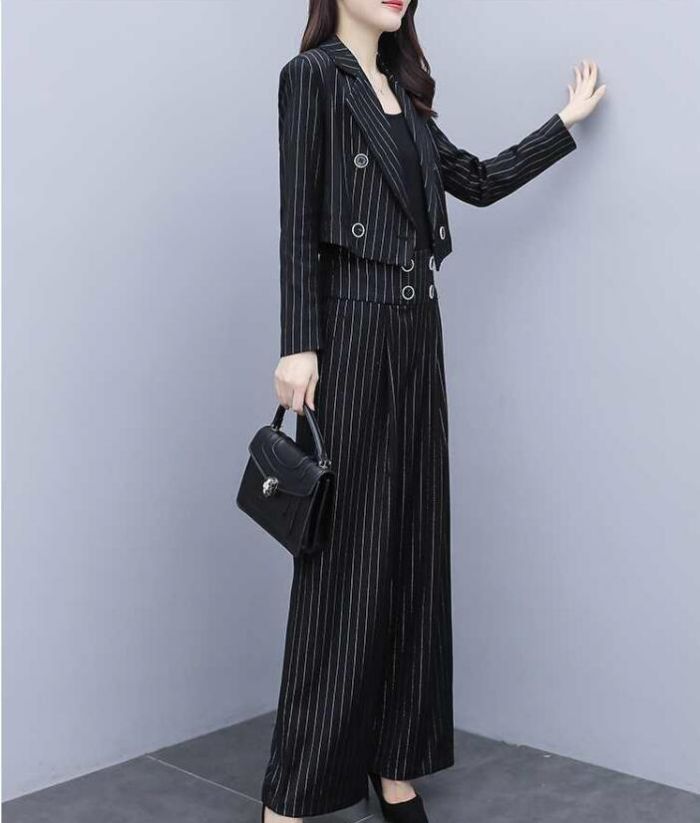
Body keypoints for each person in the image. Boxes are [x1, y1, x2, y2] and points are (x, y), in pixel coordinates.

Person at [263, 1, 605, 821]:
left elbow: (476, 181)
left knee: (416, 548)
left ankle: (396, 762)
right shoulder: (312, 78)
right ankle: (294, 793)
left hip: (419, 332)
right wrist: (298, 341)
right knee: (344, 560)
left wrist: (563, 124)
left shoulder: (401, 89)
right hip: (351, 331)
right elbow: (297, 219)